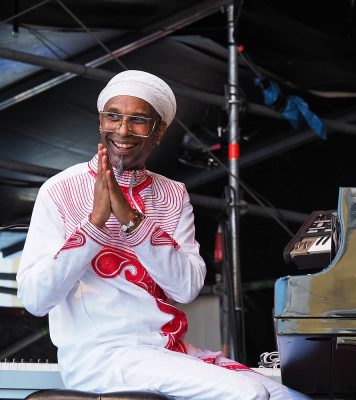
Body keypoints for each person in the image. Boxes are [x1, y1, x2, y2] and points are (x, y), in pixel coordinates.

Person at [17, 70, 309, 400]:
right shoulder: (59, 189)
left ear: (160, 131)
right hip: (101, 357)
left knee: (290, 397)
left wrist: (133, 222)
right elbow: (35, 299)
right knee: (250, 394)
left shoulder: (172, 194)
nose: (123, 130)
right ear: (101, 122)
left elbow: (185, 288)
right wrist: (95, 226)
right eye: (113, 116)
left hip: (169, 350)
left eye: (139, 120)